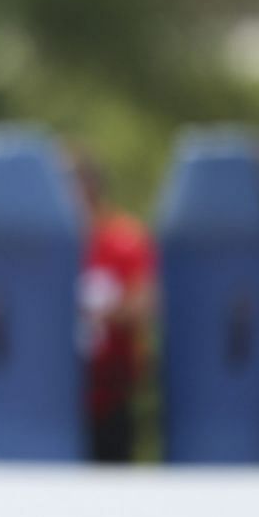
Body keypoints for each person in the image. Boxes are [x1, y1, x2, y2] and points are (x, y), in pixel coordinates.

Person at [75, 152, 156, 462]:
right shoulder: (50, 242)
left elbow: (144, 302)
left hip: (111, 389)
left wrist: (104, 313)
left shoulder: (124, 238)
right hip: (59, 395)